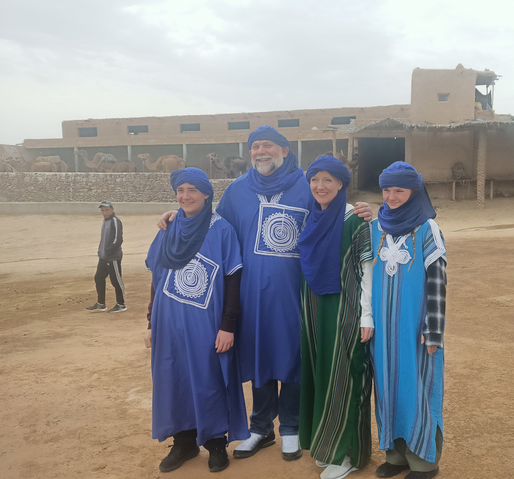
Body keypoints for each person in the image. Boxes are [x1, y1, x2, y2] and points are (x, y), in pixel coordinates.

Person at [157, 126, 372, 462]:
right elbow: (213, 228)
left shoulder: (309, 185)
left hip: (296, 292)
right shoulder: (237, 191)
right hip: (249, 295)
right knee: (259, 357)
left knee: (293, 357)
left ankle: (290, 426)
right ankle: (261, 427)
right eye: (254, 146)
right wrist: (178, 216)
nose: (260, 151)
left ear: (285, 151)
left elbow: (334, 210)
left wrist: (363, 210)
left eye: (267, 145)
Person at [144, 168, 249, 473]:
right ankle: (184, 442)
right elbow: (157, 277)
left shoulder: (221, 230)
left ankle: (215, 442)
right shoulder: (169, 227)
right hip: (168, 321)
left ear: (206, 194)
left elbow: (232, 279)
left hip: (205, 322)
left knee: (208, 379)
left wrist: (227, 325)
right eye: (180, 190)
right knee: (173, 377)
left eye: (192, 190)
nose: (185, 196)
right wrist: (151, 322)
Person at [296, 156, 374, 479]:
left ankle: (349, 455)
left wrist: (366, 315)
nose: (320, 186)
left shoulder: (355, 220)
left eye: (328, 180)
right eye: (315, 180)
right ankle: (327, 445)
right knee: (322, 375)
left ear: (341, 184)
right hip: (315, 310)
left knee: (346, 375)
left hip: (345, 310)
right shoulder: (311, 218)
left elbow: (367, 270)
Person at [370, 162, 447, 479]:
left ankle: (424, 462)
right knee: (387, 389)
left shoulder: (427, 229)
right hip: (382, 331)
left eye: (398, 190)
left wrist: (432, 331)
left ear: (414, 191)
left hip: (415, 331)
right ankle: (396, 455)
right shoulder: (376, 227)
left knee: (417, 389)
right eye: (386, 190)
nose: (391, 196)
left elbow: (437, 283)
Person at [86, 201, 126, 313]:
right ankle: (101, 304)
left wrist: (109, 251)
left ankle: (121, 304)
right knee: (98, 277)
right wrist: (101, 251)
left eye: (106, 210)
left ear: (112, 209)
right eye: (102, 210)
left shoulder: (115, 221)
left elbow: (118, 239)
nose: (104, 212)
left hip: (113, 257)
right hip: (103, 257)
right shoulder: (105, 221)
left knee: (116, 281)